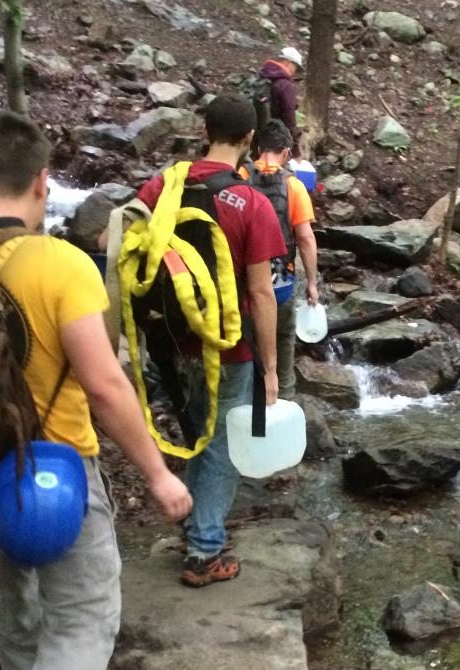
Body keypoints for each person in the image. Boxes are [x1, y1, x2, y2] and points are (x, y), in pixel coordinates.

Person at [0, 110, 192, 669]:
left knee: (17, 598)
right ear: (42, 181)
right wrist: (158, 475)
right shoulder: (61, 264)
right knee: (83, 617)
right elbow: (105, 386)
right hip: (49, 482)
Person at [134, 94, 285, 587]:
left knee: (197, 433)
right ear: (249, 140)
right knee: (222, 444)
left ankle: (195, 525)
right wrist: (270, 367)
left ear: (205, 130)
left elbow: (111, 241)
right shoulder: (253, 203)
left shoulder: (163, 186)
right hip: (228, 345)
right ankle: (203, 552)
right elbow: (262, 294)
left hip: (172, 339)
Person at [239, 119, 321, 400]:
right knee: (283, 339)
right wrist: (312, 284)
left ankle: (246, 405)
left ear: (257, 148)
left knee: (245, 348)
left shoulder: (239, 177)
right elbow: (306, 239)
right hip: (280, 285)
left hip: (243, 285)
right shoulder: (293, 186)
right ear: (286, 152)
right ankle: (282, 400)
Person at [258, 46, 304, 155]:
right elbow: (290, 120)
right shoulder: (285, 86)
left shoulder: (261, 78)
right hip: (274, 145)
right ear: (288, 63)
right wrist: (296, 150)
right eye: (296, 68)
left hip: (254, 138)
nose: (295, 72)